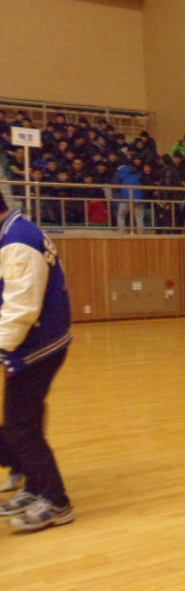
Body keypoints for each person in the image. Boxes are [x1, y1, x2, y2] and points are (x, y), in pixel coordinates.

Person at [0, 191, 75, 532]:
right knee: (24, 422)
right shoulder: (16, 232)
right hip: (37, 343)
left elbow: (21, 309)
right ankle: (34, 488)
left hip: (37, 347)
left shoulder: (18, 241)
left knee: (20, 427)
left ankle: (56, 502)